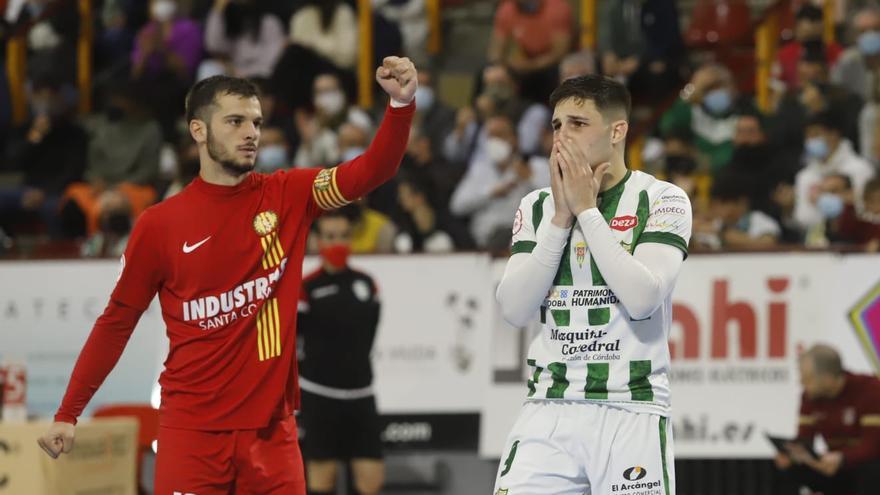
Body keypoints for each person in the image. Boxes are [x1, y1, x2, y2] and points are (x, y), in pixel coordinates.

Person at [37, 57, 418, 495]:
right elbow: (116, 322)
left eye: (256, 122)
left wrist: (400, 105)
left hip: (272, 434)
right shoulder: (160, 225)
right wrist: (69, 412)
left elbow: (372, 171)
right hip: (191, 435)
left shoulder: (287, 194)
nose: (251, 132)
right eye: (235, 121)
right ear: (198, 130)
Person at [494, 74, 691, 494]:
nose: (562, 136)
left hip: (629, 406)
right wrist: (562, 218)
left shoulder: (662, 199)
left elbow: (643, 299)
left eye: (578, 124)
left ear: (617, 131)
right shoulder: (537, 206)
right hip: (549, 407)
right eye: (557, 125)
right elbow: (513, 309)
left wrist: (587, 211)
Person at [297, 206, 384, 495]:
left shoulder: (367, 284)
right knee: (322, 482)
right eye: (331, 236)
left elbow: (368, 337)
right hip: (320, 398)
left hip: (361, 396)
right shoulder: (305, 288)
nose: (337, 243)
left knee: (371, 481)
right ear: (317, 240)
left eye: (344, 236)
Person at [774, 344, 880, 495]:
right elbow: (805, 439)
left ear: (828, 379)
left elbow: (873, 445)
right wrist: (793, 455)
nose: (801, 383)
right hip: (835, 466)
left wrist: (842, 458)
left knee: (872, 469)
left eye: (807, 378)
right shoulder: (809, 397)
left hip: (863, 464)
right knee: (789, 468)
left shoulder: (871, 389)